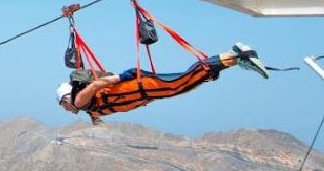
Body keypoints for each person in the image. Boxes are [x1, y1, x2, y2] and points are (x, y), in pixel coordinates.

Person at [55, 43, 269, 123]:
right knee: (183, 85)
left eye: (63, 105)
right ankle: (232, 61)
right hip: (143, 91)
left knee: (181, 83)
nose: (66, 109)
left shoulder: (81, 101)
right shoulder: (90, 109)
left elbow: (95, 85)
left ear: (67, 98)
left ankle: (236, 55)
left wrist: (122, 77)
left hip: (140, 87)